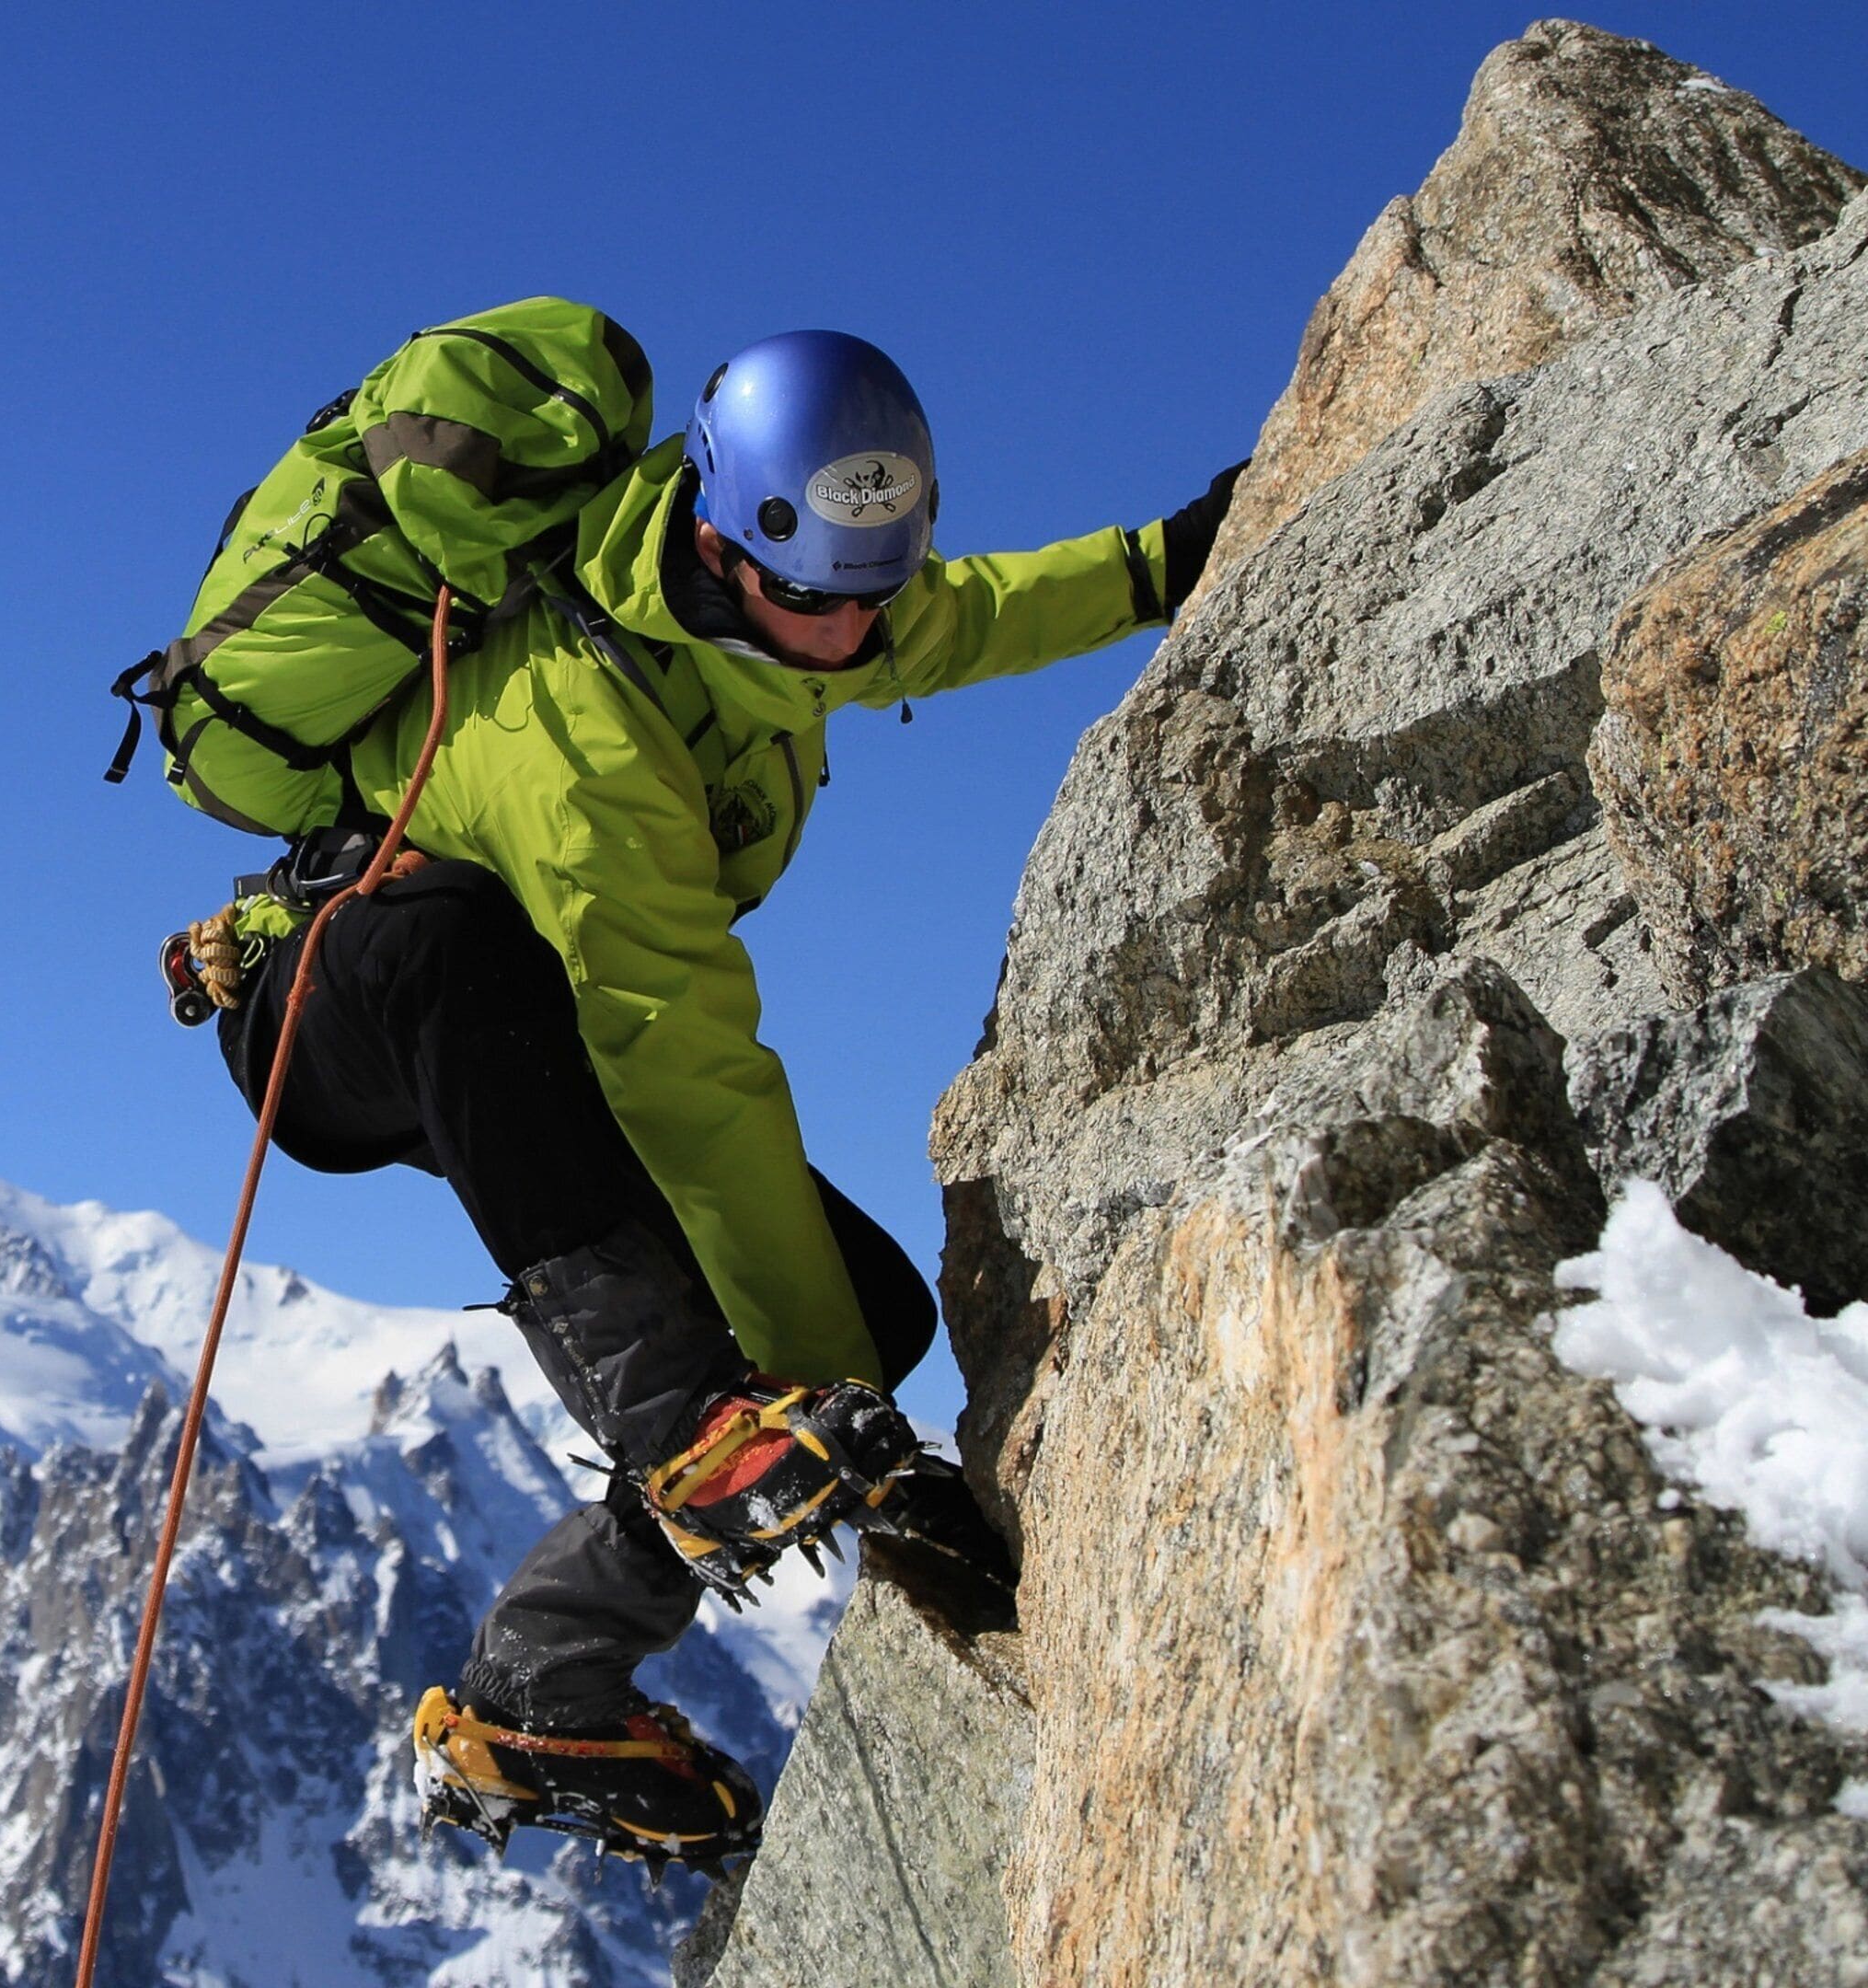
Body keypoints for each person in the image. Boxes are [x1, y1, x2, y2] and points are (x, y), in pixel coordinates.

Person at [176, 313, 1243, 1864]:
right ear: (721, 532)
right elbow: (682, 1066)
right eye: (805, 597)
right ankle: (690, 1430)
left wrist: (1165, 560)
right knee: (467, 962)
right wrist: (833, 1435)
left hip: (523, 1057)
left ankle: (541, 1687)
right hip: (333, 1002)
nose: (836, 639)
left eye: (863, 601)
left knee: (868, 1315)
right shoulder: (583, 735)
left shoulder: (810, 607)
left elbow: (969, 615)